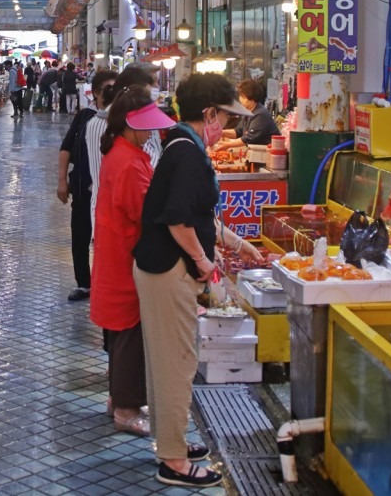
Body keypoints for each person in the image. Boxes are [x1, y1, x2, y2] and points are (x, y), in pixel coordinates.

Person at [133, 73, 265, 489]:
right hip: (168, 269)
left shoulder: (179, 143)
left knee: (167, 359)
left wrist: (237, 243)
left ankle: (168, 440)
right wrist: (204, 262)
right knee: (177, 362)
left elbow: (196, 213)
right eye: (225, 118)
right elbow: (176, 219)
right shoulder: (188, 152)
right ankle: (172, 460)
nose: (226, 128)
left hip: (161, 267)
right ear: (208, 114)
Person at [90, 86, 182, 440]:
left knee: (120, 334)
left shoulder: (125, 152)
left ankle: (120, 398)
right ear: (130, 125)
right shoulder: (128, 161)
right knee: (128, 333)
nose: (151, 134)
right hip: (126, 257)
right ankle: (127, 409)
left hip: (118, 254)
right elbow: (144, 211)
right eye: (146, 127)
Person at [57, 68, 118, 302]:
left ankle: (106, 282)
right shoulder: (85, 117)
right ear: (95, 93)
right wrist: (62, 181)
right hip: (83, 188)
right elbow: (66, 148)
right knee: (80, 237)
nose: (111, 95)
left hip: (110, 194)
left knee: (107, 241)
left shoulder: (123, 121)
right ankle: (84, 283)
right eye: (107, 90)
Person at [86, 65, 160, 215]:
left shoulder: (93, 123)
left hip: (101, 213)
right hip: (123, 218)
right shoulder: (128, 127)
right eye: (145, 97)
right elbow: (149, 170)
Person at [214, 78, 279, 150]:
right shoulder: (247, 112)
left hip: (266, 153)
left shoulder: (260, 114)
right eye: (241, 96)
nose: (241, 100)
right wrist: (221, 132)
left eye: (244, 98)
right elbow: (238, 131)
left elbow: (249, 138)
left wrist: (227, 145)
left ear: (253, 99)